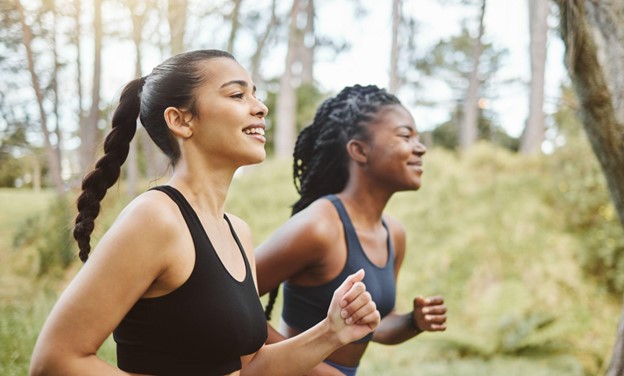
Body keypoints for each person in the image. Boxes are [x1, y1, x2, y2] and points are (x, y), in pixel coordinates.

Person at [29, 50, 381, 376]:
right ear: (181, 121)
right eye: (237, 95)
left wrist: (331, 332)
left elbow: (249, 368)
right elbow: (56, 359)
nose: (260, 107)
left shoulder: (237, 231)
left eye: (255, 94)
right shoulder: (156, 218)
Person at [256, 84, 448, 376]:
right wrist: (314, 369)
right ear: (359, 150)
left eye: (418, 138)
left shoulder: (394, 234)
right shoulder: (319, 225)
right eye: (405, 136)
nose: (420, 148)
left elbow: (376, 325)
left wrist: (413, 322)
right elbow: (231, 301)